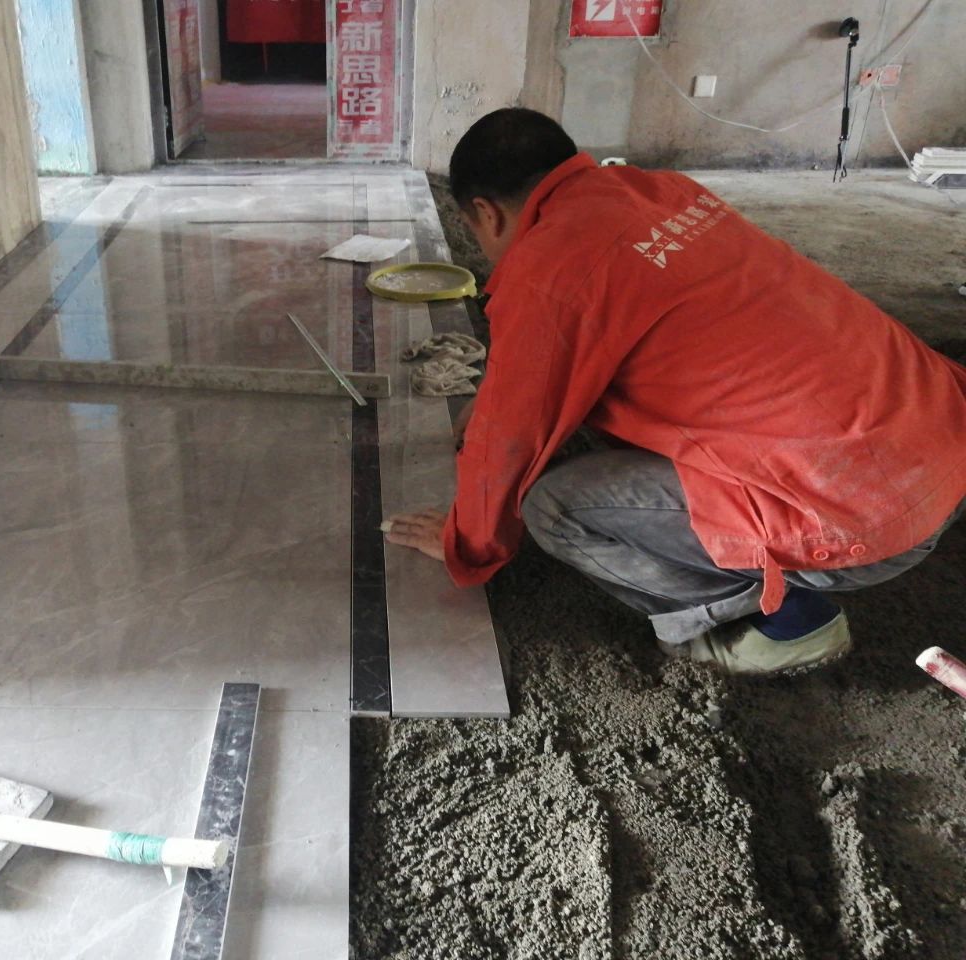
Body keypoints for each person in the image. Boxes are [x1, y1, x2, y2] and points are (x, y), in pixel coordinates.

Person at [384, 107, 966, 676]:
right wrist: (501, 391)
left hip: (863, 515)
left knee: (553, 508)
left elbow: (509, 442)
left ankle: (786, 621)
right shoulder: (665, 193)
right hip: (939, 437)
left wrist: (465, 543)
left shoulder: (548, 267)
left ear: (485, 213)